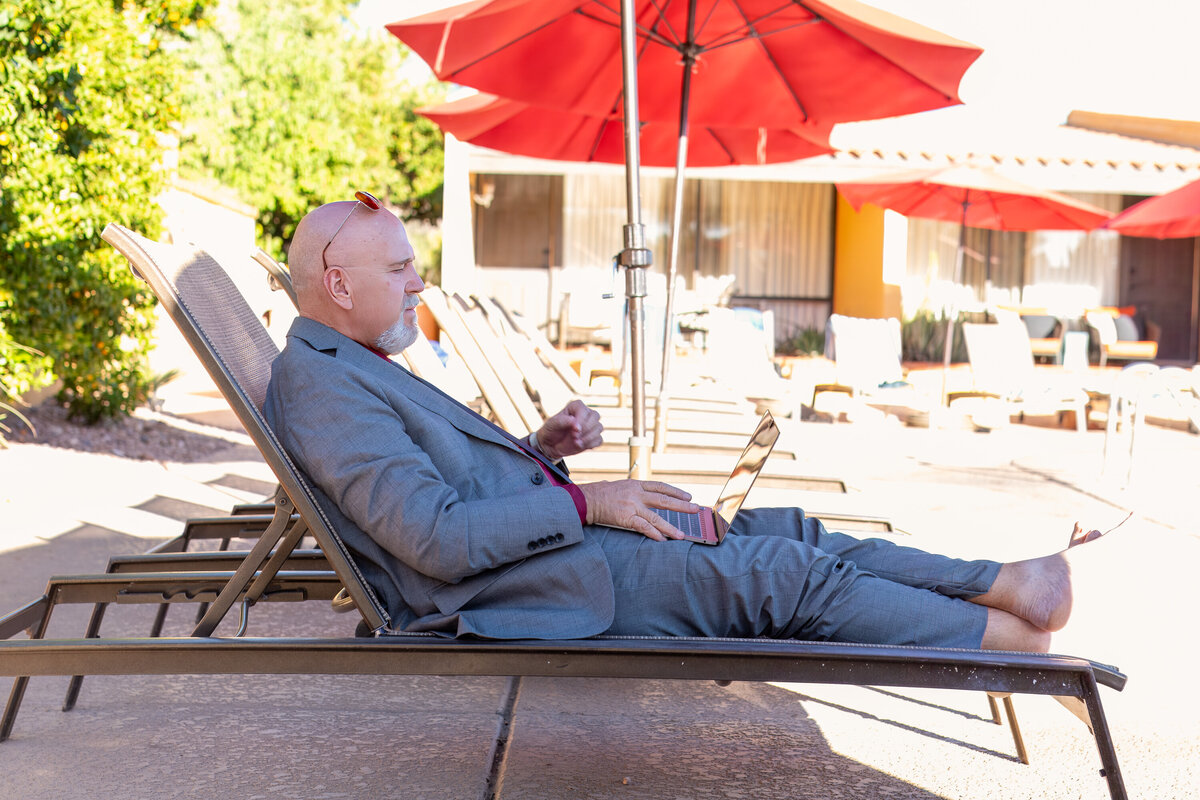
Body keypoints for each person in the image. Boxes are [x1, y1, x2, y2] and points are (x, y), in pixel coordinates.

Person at [263, 193, 1103, 651]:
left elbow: (440, 491)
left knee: (789, 529)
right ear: (337, 285)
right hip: (532, 587)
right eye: (401, 267)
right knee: (781, 575)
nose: (419, 285)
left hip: (552, 549)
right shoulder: (320, 385)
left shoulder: (350, 366)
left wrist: (539, 450)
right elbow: (434, 540)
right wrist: (590, 504)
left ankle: (1006, 583)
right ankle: (1008, 645)